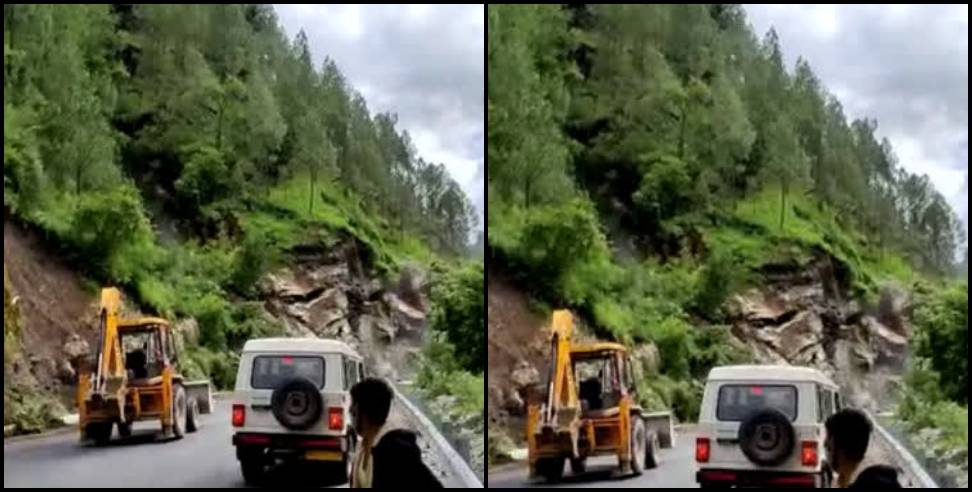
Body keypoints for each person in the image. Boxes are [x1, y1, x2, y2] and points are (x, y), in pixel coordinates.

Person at [349, 377, 443, 488]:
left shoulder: (397, 452)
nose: (350, 410)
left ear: (363, 411)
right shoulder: (362, 451)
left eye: (353, 404)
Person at [824, 408, 902, 488]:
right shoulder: (879, 480)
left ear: (840, 451)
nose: (825, 445)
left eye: (828, 446)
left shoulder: (869, 484)